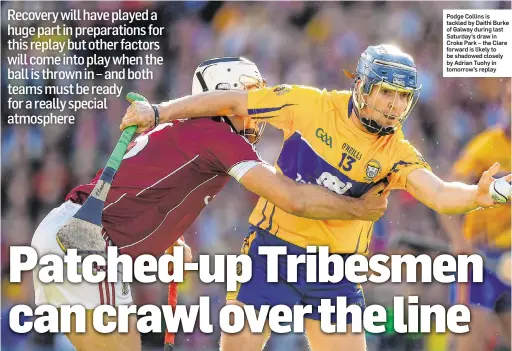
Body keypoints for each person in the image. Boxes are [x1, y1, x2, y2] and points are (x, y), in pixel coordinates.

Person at [120, 45, 512, 351]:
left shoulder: (396, 151)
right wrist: (159, 111)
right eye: (387, 93)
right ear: (362, 86)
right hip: (271, 252)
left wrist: (482, 194)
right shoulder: (311, 105)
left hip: (336, 272)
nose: (395, 106)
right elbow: (235, 102)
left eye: (403, 97)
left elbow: (440, 193)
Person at [31, 57, 389, 351]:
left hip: (61, 232)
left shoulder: (183, 132)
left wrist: (169, 239)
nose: (257, 108)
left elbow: (146, 188)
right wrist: (358, 209)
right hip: (87, 242)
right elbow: (291, 198)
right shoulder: (217, 136)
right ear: (223, 96)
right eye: (249, 95)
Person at [440, 81, 511, 351]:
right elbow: (446, 197)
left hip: (509, 259)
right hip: (479, 261)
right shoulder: (485, 147)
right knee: (471, 345)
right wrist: (459, 241)